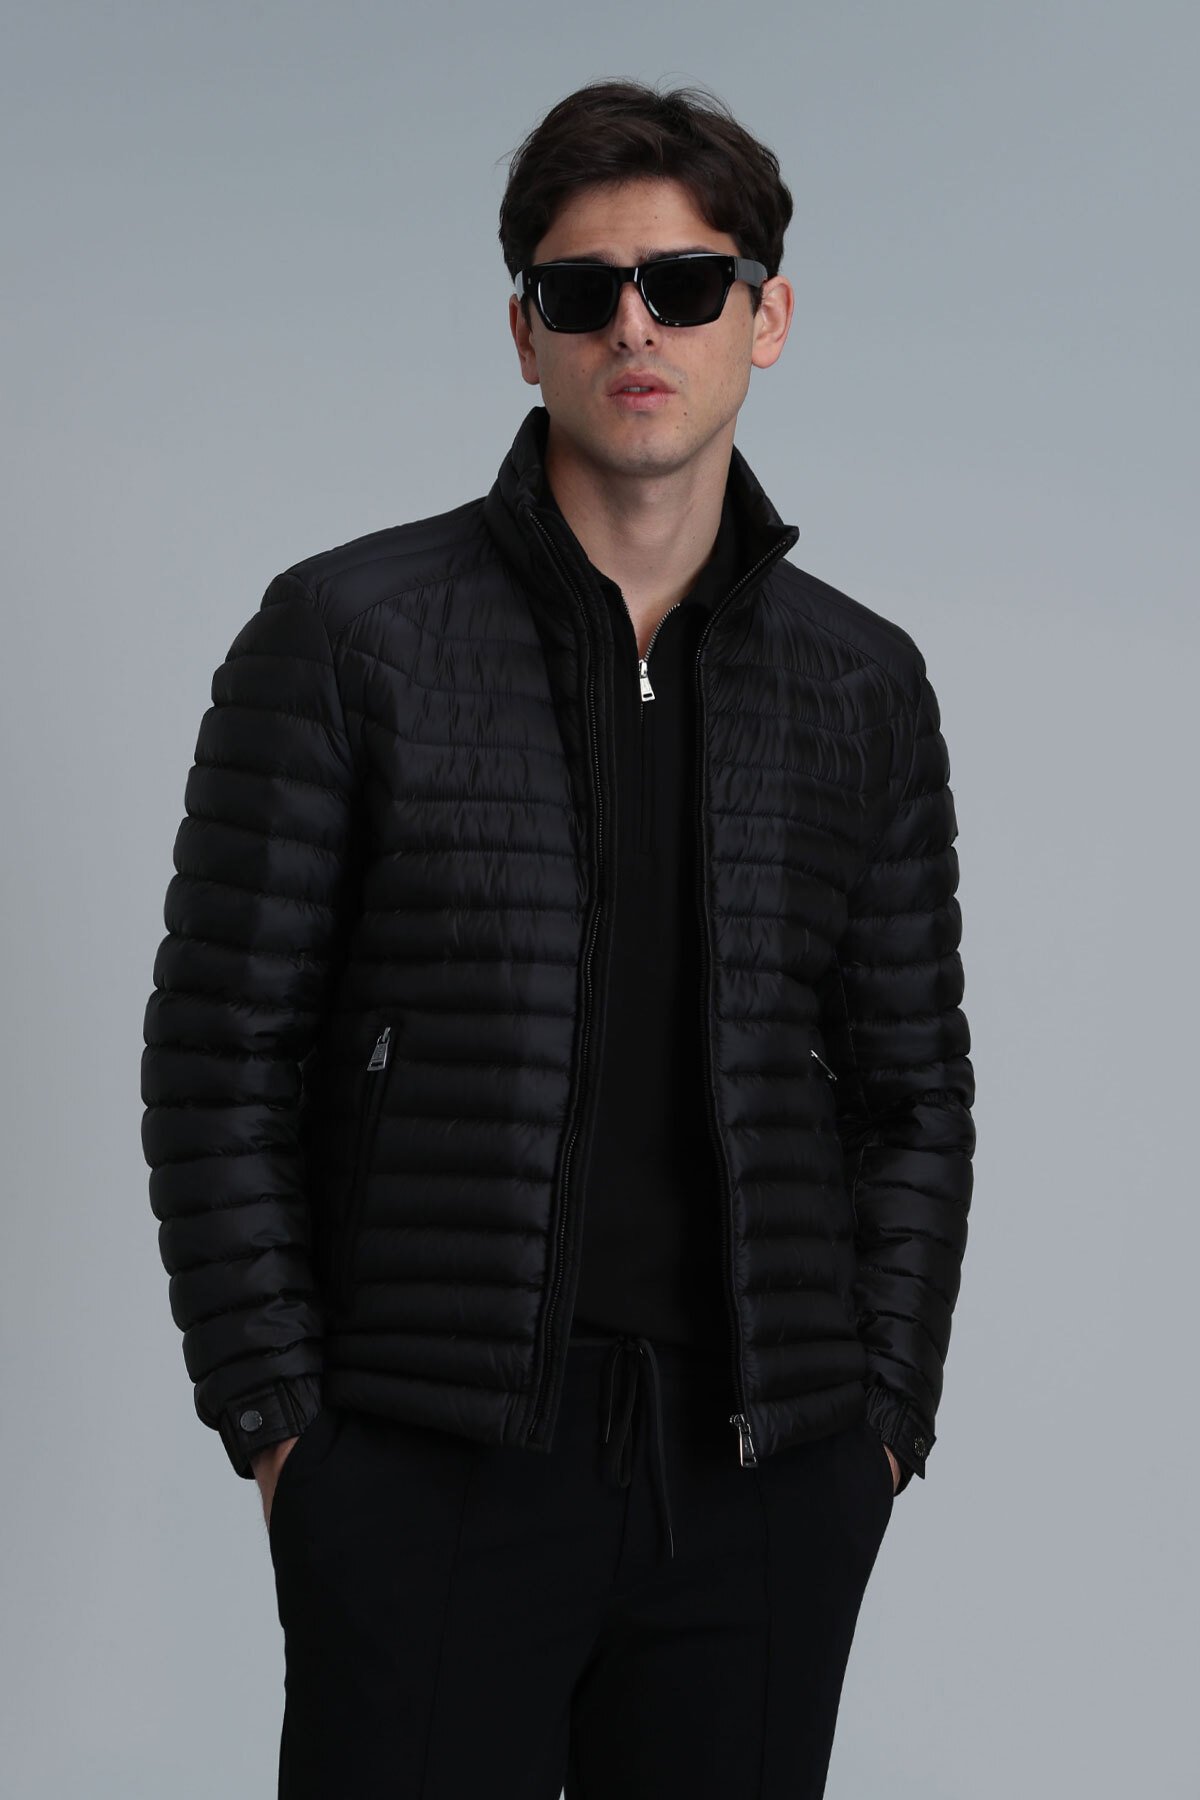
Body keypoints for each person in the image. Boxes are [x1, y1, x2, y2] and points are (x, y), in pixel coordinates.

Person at [141, 77, 975, 1800]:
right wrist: (289, 1435)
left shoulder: (863, 685)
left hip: (762, 1484)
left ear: (767, 317)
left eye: (685, 284)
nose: (635, 327)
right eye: (584, 291)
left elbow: (914, 1094)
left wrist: (878, 1427)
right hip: (430, 1467)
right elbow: (217, 1058)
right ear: (525, 334)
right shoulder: (348, 637)